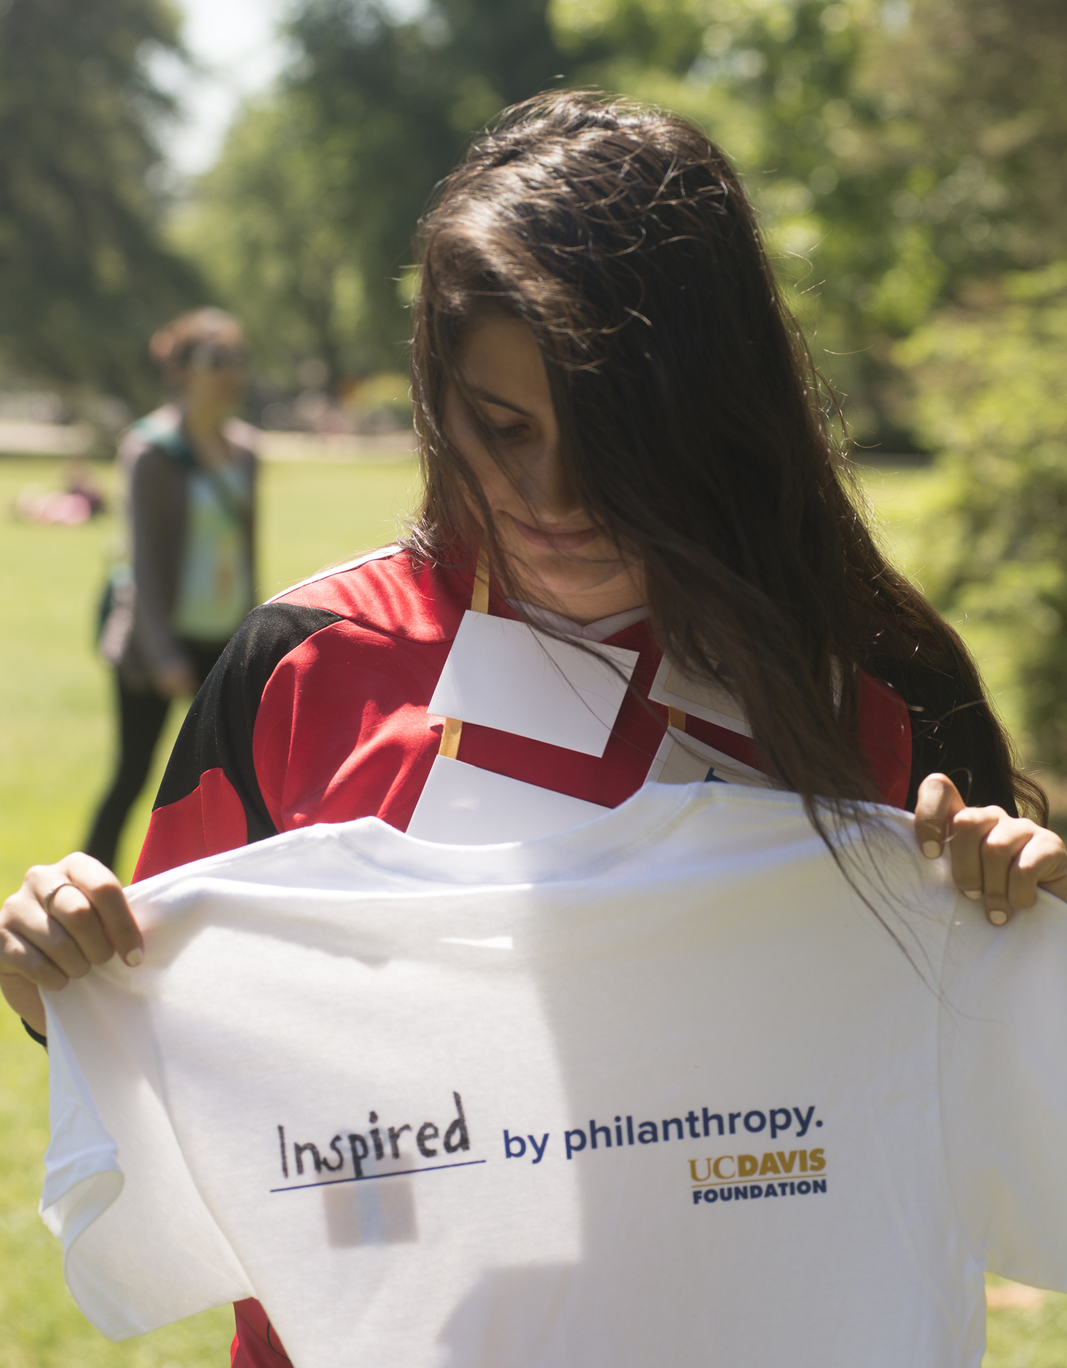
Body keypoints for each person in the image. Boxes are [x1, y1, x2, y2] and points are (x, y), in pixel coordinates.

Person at [3, 92, 1067, 1365]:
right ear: (433, 393)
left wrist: (1030, 917)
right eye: (501, 429)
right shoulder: (301, 672)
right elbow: (175, 1034)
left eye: (614, 442)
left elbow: (998, 1101)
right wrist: (56, 970)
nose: (549, 497)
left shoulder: (876, 693)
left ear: (715, 410)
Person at [85, 308, 257, 872]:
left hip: (223, 639)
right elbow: (145, 566)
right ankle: (85, 888)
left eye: (237, 359)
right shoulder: (151, 450)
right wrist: (163, 656)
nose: (230, 372)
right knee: (134, 774)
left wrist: (254, 642)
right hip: (155, 645)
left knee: (234, 780)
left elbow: (247, 556)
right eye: (216, 360)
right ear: (181, 370)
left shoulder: (248, 452)